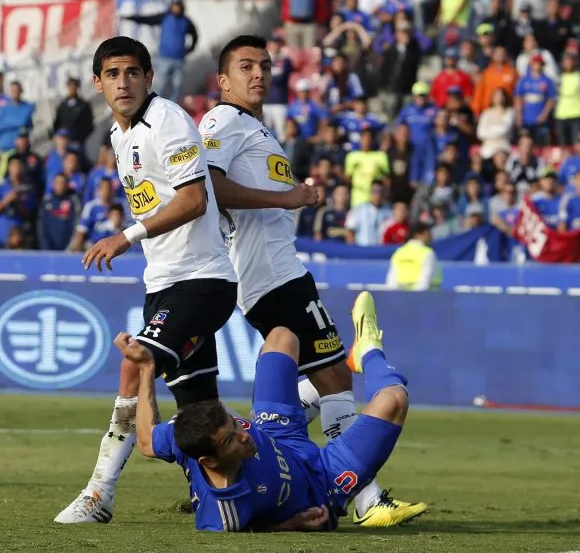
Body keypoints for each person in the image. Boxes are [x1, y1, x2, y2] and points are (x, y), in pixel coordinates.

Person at [198, 35, 426, 525]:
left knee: (332, 377)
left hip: (280, 271)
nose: (258, 73)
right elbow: (209, 187)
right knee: (334, 376)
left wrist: (293, 196)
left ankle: (261, 444)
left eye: (264, 65)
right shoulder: (223, 120)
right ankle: (365, 499)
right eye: (245, 66)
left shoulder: (258, 130)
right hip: (269, 276)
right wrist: (286, 199)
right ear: (223, 80)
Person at [55, 36, 238, 525]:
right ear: (98, 83)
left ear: (149, 78)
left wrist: (126, 236)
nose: (123, 82)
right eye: (113, 74)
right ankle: (225, 493)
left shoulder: (168, 119)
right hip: (164, 283)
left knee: (135, 363)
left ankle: (99, 494)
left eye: (132, 73)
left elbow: (194, 200)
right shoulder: (119, 135)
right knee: (200, 410)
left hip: (202, 280)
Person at [118, 291, 412, 532]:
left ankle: (332, 380)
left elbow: (146, 441)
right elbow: (252, 528)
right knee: (394, 399)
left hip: (276, 431)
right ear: (208, 460)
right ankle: (370, 351)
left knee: (282, 337)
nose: (244, 434)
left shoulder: (187, 435)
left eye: (235, 424)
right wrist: (291, 524)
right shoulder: (225, 511)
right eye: (230, 439)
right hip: (322, 482)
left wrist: (146, 368)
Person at [386, 221, 440, 291]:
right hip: (426, 298)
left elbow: (391, 282)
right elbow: (424, 281)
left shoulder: (399, 252)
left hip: (401, 297)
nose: (430, 237)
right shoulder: (428, 253)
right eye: (427, 233)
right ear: (417, 234)